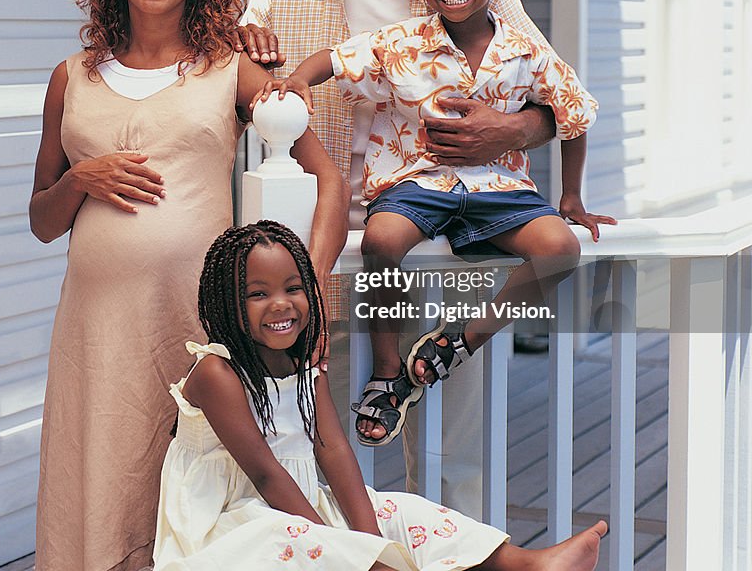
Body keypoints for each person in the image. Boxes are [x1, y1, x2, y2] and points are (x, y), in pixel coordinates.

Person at [237, 0, 562, 511]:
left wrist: (502, 133)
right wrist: (244, 53)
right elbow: (239, 100)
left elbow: (551, 99)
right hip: (320, 253)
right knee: (310, 446)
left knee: (452, 457)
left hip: (451, 244)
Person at [29, 0, 347, 571]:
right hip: (98, 326)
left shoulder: (232, 68)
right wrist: (82, 177)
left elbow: (327, 179)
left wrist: (313, 291)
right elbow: (42, 219)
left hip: (197, 322)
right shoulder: (71, 76)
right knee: (102, 476)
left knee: (198, 485)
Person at [255, 0, 617, 446]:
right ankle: (387, 373)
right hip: (416, 182)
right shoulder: (402, 42)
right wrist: (298, 81)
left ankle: (457, 342)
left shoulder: (526, 51)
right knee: (381, 240)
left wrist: (571, 197)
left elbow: (574, 114)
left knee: (560, 248)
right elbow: (333, 58)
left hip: (500, 190)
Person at [151, 219, 607, 571]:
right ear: (224, 303)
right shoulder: (217, 371)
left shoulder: (305, 365)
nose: (281, 304)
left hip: (300, 502)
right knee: (298, 537)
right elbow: (266, 476)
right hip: (230, 521)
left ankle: (527, 563)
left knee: (405, 511)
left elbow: (333, 452)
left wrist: (366, 540)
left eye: (293, 288)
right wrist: (352, 550)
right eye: (257, 293)